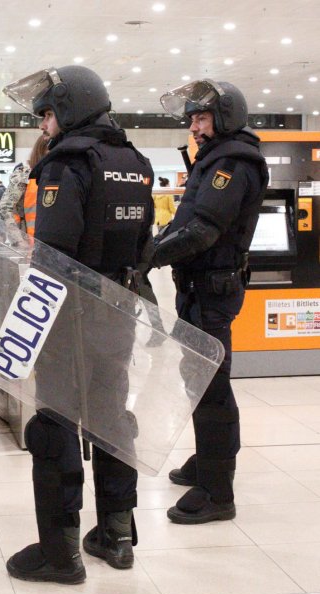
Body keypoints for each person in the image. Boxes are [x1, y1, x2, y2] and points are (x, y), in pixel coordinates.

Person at [2, 65, 155, 584]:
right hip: (118, 310)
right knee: (112, 422)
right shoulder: (134, 161)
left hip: (69, 315)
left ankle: (59, 551)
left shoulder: (66, 164)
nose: (43, 126)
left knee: (55, 426)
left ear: (67, 109)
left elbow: (53, 256)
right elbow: (143, 246)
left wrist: (27, 325)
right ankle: (116, 534)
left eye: (46, 114)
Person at [152, 79, 269, 524]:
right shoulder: (215, 159)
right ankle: (209, 460)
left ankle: (218, 492)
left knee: (212, 388)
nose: (195, 127)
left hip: (212, 289)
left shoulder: (233, 163)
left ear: (224, 116)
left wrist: (147, 258)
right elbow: (188, 222)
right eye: (192, 120)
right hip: (200, 286)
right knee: (199, 381)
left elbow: (203, 231)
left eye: (201, 118)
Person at [0, 134, 49, 236]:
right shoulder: (24, 174)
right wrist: (18, 239)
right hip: (29, 242)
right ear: (42, 150)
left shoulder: (62, 176)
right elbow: (5, 208)